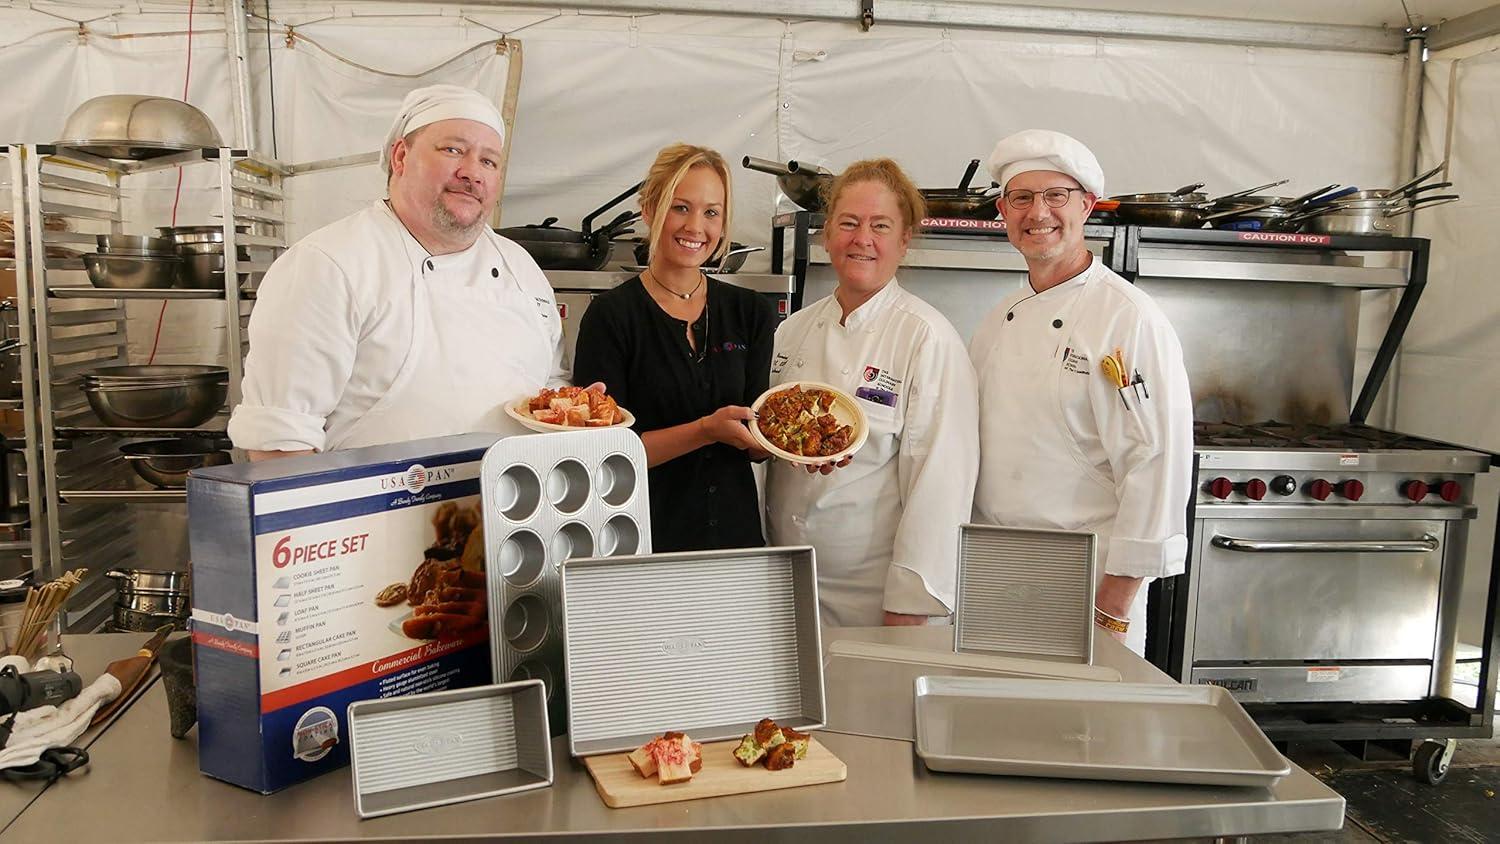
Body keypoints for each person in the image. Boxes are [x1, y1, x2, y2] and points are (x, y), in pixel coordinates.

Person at [229, 84, 567, 458]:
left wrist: (573, 409)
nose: (472, 172)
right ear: (402, 157)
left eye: (488, 161)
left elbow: (550, 389)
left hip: (513, 510)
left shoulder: (521, 267)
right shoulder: (328, 264)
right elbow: (280, 444)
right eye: (453, 150)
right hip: (375, 514)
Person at [970, 129, 1194, 655]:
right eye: (1021, 198)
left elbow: (1156, 461)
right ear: (1003, 211)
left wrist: (1114, 603)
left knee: (1080, 733)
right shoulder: (995, 320)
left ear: (1088, 206)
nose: (1037, 212)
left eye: (1056, 196)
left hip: (1087, 581)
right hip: (993, 570)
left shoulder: (1129, 317)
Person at [765, 158, 979, 627]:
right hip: (783, 584)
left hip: (874, 600)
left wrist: (909, 606)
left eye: (880, 225)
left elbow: (940, 484)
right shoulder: (793, 330)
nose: (862, 238)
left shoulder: (927, 338)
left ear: (904, 240)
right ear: (826, 234)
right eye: (849, 223)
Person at [572, 144, 776, 552]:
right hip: (641, 543)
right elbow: (603, 456)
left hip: (736, 544)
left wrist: (793, 441)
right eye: (680, 207)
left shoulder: (750, 312)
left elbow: (757, 442)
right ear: (649, 209)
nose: (695, 227)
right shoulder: (611, 317)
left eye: (711, 212)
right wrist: (705, 430)